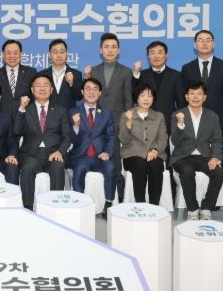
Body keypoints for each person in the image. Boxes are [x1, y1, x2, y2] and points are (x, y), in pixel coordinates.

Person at [85, 33, 132, 199]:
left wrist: (127, 121)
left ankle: (119, 198)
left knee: (116, 161)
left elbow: (128, 99)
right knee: (97, 159)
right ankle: (98, 197)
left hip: (118, 123)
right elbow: (88, 98)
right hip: (96, 123)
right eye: (106, 47)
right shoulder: (93, 71)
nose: (110, 50)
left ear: (118, 50)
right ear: (100, 50)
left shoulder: (126, 71)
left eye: (113, 47)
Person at [13, 74, 70, 210]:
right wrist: (21, 109)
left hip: (53, 154)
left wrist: (60, 151)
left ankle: (56, 207)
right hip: (31, 155)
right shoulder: (25, 110)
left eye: (46, 86)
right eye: (38, 86)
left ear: (51, 90)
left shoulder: (61, 111)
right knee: (27, 168)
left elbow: (67, 136)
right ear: (32, 90)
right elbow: (16, 131)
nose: (42, 88)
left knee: (58, 167)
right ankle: (27, 208)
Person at [170, 81, 223, 220]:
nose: (195, 97)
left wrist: (215, 157)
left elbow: (217, 140)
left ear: (204, 97)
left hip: (204, 157)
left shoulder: (212, 116)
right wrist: (180, 124)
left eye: (199, 94)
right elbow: (175, 141)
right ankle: (193, 209)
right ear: (186, 96)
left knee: (219, 173)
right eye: (192, 93)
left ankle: (206, 207)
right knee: (187, 171)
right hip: (182, 157)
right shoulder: (177, 115)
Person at [180, 29, 223, 140]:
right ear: (195, 45)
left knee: (217, 150)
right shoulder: (187, 68)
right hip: (193, 120)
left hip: (217, 119)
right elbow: (182, 96)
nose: (204, 43)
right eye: (201, 40)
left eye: (208, 40)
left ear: (213, 44)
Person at [68, 78, 116, 219]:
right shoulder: (73, 112)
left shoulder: (106, 112)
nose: (91, 92)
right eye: (88, 89)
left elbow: (111, 136)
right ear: (82, 92)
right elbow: (70, 139)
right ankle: (79, 205)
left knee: (110, 168)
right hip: (81, 155)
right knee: (80, 169)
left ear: (100, 93)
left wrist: (107, 152)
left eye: (95, 89)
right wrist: (75, 126)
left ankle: (108, 204)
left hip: (100, 155)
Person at [119, 83, 168, 206]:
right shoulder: (126, 115)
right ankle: (141, 205)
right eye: (143, 95)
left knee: (155, 166)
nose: (146, 99)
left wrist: (156, 150)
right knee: (140, 166)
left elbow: (163, 138)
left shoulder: (159, 117)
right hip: (132, 154)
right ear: (136, 97)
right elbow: (124, 140)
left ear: (153, 99)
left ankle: (154, 205)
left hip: (154, 153)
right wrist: (129, 123)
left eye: (150, 96)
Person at [131, 41, 185, 134]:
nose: (156, 56)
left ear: (166, 55)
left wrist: (179, 120)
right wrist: (135, 74)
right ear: (148, 57)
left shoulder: (176, 75)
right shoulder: (142, 75)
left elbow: (181, 101)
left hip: (168, 122)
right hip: (145, 122)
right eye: (152, 53)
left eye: (159, 52)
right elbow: (134, 97)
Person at [0, 39, 37, 115]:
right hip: (1, 118)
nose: (12, 56)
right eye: (8, 53)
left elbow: (35, 97)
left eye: (15, 53)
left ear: (21, 54)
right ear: (3, 55)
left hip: (25, 117)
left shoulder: (31, 72)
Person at [40, 39, 82, 111]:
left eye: (62, 52)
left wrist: (72, 84)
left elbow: (79, 97)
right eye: (55, 52)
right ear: (49, 55)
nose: (59, 55)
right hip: (47, 116)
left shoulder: (76, 74)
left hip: (68, 116)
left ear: (67, 54)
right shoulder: (41, 75)